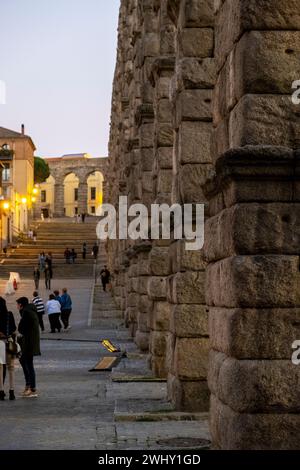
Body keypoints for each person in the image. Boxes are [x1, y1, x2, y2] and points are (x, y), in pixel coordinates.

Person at [17, 297, 40, 398]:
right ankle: (28, 386)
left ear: (21, 305)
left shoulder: (26, 312)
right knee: (24, 361)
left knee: (29, 365)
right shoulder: (30, 311)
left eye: (18, 304)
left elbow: (21, 328)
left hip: (29, 344)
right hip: (30, 343)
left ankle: (33, 389)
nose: (17, 306)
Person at [0, 297, 17, 401]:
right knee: (11, 368)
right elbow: (14, 329)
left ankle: (1, 391)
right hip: (9, 342)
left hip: (0, 343)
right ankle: (12, 391)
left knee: (0, 368)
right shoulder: (9, 314)